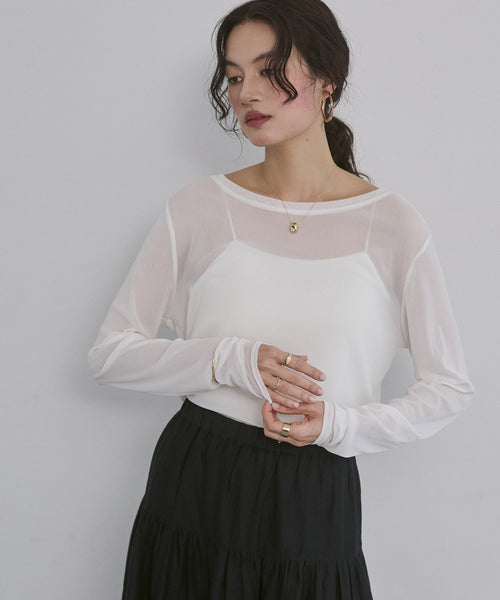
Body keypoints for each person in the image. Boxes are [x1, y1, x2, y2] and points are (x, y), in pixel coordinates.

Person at [87, 1, 474, 598]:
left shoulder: (394, 226)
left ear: (328, 80)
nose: (246, 93)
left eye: (269, 71)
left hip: (315, 494)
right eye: (234, 76)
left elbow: (448, 388)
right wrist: (229, 359)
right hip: (198, 478)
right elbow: (110, 354)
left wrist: (341, 425)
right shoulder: (198, 208)